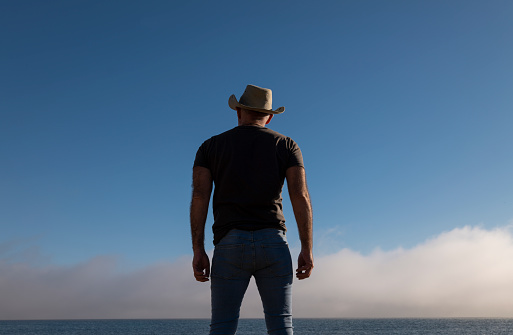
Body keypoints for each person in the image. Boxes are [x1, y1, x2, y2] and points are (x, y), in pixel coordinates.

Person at [190, 84, 313, 335]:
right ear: (268, 117)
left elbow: (200, 196)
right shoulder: (287, 145)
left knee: (222, 327)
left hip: (229, 244)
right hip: (274, 243)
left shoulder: (210, 147)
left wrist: (198, 249)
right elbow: (300, 196)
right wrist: (307, 248)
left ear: (239, 112)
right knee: (281, 325)